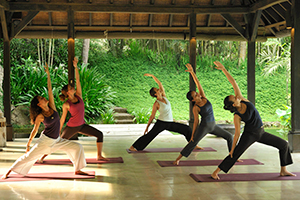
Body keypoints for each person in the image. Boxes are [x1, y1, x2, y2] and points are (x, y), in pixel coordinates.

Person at [211, 61, 295, 180]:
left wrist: (224, 69)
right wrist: (233, 148)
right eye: (234, 98)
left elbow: (233, 82)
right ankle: (216, 172)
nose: (236, 97)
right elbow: (237, 134)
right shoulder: (237, 116)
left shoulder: (243, 100)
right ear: (234, 104)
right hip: (249, 135)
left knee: (284, 144)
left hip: (261, 132)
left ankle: (283, 170)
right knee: (234, 154)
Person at [1, 64, 87, 179]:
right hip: (45, 142)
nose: (44, 98)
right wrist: (28, 144)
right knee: (28, 157)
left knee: (78, 147)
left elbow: (50, 90)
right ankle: (9, 171)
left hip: (57, 140)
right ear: (39, 104)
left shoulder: (52, 107)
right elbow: (35, 130)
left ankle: (78, 169)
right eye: (41, 99)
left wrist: (48, 74)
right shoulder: (40, 116)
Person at [173, 63, 233, 165]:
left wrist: (192, 72)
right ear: (193, 100)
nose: (197, 94)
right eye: (195, 95)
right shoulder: (196, 108)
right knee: (193, 142)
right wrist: (193, 134)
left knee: (230, 137)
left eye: (196, 93)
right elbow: (196, 121)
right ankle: (178, 159)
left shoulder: (203, 97)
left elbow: (198, 83)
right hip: (204, 127)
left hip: (213, 125)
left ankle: (232, 156)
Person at [129, 73, 201, 151]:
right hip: (161, 123)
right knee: (150, 135)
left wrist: (153, 76)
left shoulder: (164, 97)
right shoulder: (156, 103)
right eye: (157, 90)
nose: (158, 89)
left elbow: (160, 84)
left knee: (187, 129)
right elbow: (152, 116)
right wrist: (147, 127)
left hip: (170, 123)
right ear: (155, 94)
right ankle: (134, 147)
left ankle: (193, 145)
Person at [58, 57, 107, 161]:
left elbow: (78, 80)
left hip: (82, 125)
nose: (73, 88)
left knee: (99, 135)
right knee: (58, 143)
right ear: (68, 92)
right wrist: (58, 130)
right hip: (71, 127)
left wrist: (76, 67)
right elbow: (62, 119)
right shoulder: (66, 104)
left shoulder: (79, 96)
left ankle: (99, 156)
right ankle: (42, 156)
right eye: (71, 88)